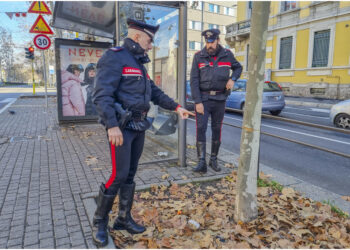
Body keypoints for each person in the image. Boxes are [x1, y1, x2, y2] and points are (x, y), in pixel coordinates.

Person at [92, 18, 194, 247]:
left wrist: (177, 107)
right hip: (121, 128)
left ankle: (123, 219)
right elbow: (101, 95)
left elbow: (154, 92)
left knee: (129, 175)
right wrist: (112, 125)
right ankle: (99, 221)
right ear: (137, 36)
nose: (151, 45)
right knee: (118, 176)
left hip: (138, 127)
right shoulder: (114, 57)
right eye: (150, 40)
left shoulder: (138, 63)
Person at [190, 29, 242, 173]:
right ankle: (201, 162)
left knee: (216, 129)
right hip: (203, 99)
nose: (209, 45)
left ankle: (213, 159)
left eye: (212, 42)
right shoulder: (198, 56)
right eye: (207, 42)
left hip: (220, 99)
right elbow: (193, 80)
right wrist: (197, 101)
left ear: (218, 40)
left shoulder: (227, 55)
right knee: (200, 128)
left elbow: (238, 68)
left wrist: (233, 79)